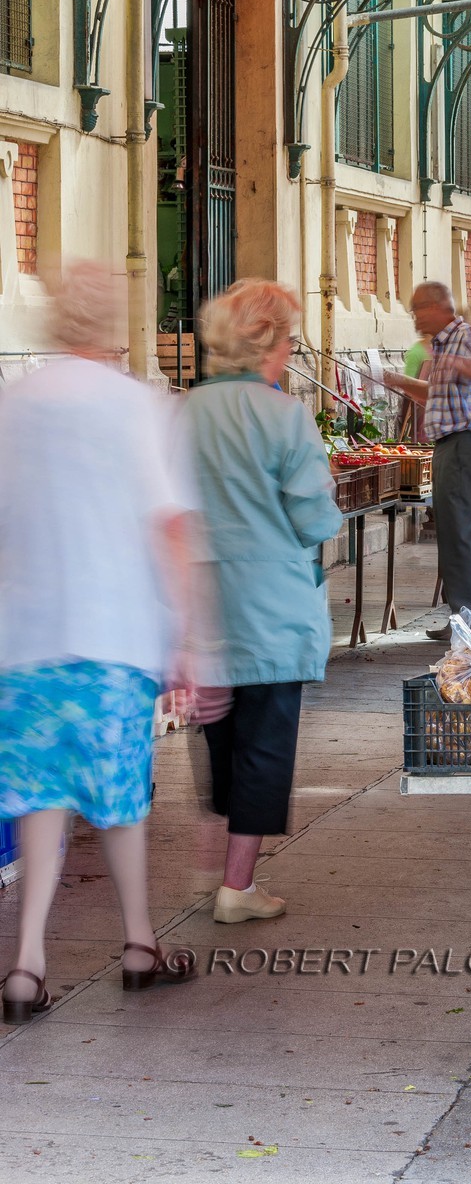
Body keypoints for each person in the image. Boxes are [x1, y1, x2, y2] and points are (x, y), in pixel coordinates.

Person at [0, 263, 200, 1020]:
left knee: (39, 800)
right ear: (115, 322)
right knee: (119, 800)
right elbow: (170, 524)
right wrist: (183, 636)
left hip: (24, 636)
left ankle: (26, 966)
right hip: (114, 633)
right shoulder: (137, 407)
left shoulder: (14, 403)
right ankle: (139, 944)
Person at [183, 279, 342, 924]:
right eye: (289, 341)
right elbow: (315, 517)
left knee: (218, 739)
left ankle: (219, 857)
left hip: (201, 603)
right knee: (265, 744)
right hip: (272, 607)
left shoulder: (181, 412)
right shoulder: (284, 415)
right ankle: (236, 884)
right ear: (271, 345)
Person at [385, 282, 471, 638]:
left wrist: (453, 362)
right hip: (449, 446)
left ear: (436, 307)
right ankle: (460, 619)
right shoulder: (444, 344)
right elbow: (438, 395)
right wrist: (399, 381)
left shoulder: (465, 336)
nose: (415, 318)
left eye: (417, 309)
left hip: (464, 445)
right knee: (450, 534)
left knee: (459, 535)